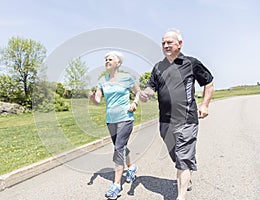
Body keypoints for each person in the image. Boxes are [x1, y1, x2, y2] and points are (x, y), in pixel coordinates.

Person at [139, 29, 214, 200]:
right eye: (163, 42)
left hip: (187, 119)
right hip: (165, 121)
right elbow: (151, 88)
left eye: (169, 42)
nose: (165, 45)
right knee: (177, 156)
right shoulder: (158, 67)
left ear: (179, 44)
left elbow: (208, 82)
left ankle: (180, 196)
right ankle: (186, 170)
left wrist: (205, 105)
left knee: (183, 157)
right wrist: (144, 94)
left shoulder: (191, 63)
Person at [88, 51, 141, 199]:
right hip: (110, 119)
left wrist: (134, 103)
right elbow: (98, 101)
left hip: (125, 118)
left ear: (118, 63)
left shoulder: (127, 79)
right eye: (105, 59)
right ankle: (131, 168)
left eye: (110, 59)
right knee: (121, 147)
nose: (106, 61)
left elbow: (138, 92)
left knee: (118, 148)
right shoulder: (102, 81)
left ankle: (116, 185)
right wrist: (92, 98)